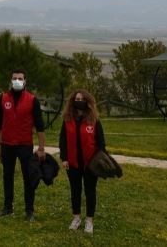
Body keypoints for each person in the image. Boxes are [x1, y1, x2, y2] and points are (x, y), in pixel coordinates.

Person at [0, 68, 47, 221]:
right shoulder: (3, 98)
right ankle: (7, 208)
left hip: (25, 144)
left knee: (28, 177)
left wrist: (41, 148)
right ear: (11, 80)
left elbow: (40, 126)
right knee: (7, 176)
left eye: (20, 78)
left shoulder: (32, 100)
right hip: (7, 144)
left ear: (25, 81)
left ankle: (29, 210)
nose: (17, 81)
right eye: (15, 78)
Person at [59, 90, 106, 234]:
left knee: (90, 191)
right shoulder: (67, 119)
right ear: (72, 101)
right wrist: (64, 158)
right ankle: (76, 218)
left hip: (90, 164)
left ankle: (89, 221)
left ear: (88, 101)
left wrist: (98, 160)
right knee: (75, 191)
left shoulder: (94, 120)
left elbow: (101, 143)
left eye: (82, 98)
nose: (79, 101)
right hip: (73, 163)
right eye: (77, 98)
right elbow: (63, 141)